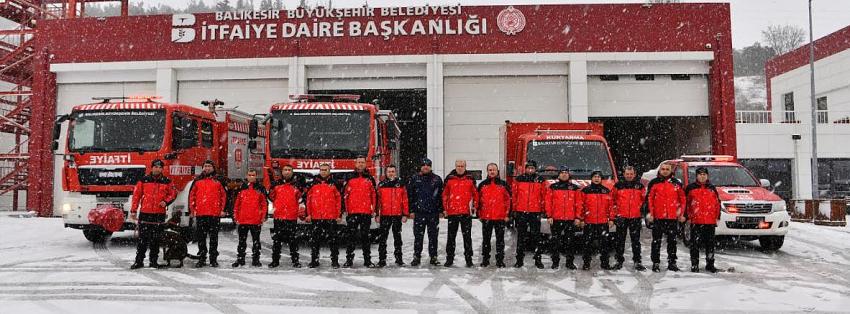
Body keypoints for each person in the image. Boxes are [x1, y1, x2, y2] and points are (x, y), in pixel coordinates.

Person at [129, 159, 177, 269]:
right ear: (152, 168)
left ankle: (153, 262)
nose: (158, 169)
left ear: (162, 169)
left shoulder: (167, 181)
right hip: (145, 214)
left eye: (160, 167)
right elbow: (136, 196)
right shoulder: (143, 180)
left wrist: (166, 201)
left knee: (155, 241)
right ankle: (139, 261)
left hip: (159, 215)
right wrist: (133, 210)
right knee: (142, 241)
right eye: (156, 167)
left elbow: (173, 193)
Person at [646, 162, 687, 272]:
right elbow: (649, 199)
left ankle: (672, 262)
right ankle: (655, 262)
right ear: (659, 170)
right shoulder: (654, 183)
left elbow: (683, 200)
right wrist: (650, 214)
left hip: (672, 218)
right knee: (656, 241)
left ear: (671, 171)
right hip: (658, 217)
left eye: (667, 169)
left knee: (672, 241)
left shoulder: (677, 183)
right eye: (663, 169)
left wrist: (682, 214)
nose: (665, 171)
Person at [189, 160, 227, 268]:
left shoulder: (219, 180)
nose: (207, 168)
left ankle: (213, 259)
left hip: (214, 214)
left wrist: (222, 209)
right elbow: (192, 196)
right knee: (201, 238)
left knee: (213, 238)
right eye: (205, 166)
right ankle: (202, 258)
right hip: (201, 213)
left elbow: (224, 196)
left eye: (209, 166)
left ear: (213, 168)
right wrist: (192, 210)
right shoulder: (197, 180)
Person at [342, 157, 378, 268]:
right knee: (351, 238)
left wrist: (373, 210)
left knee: (365, 238)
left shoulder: (370, 178)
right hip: (352, 212)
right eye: (359, 162)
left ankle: (367, 260)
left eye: (363, 162)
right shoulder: (348, 177)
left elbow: (374, 195)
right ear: (355, 164)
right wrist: (346, 210)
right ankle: (349, 260)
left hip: (366, 212)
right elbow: (344, 196)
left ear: (365, 164)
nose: (361, 164)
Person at [407, 158, 444, 266]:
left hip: (433, 213)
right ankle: (416, 257)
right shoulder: (414, 178)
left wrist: (441, 210)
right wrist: (411, 210)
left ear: (431, 167)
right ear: (420, 167)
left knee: (433, 236)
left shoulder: (437, 179)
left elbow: (441, 196)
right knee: (418, 237)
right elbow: (410, 196)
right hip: (419, 213)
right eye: (423, 165)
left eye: (428, 165)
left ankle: (433, 257)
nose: (425, 167)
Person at [442, 159, 478, 267]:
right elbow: (445, 195)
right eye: (458, 166)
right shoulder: (449, 179)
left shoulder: (470, 179)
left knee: (467, 237)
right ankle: (449, 259)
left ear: (465, 166)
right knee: (451, 237)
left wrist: (474, 207)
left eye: (462, 166)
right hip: (452, 213)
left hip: (465, 213)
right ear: (455, 166)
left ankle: (468, 259)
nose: (460, 168)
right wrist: (445, 209)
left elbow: (476, 194)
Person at [268, 165, 306, 268]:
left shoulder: (297, 186)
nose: (287, 172)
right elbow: (271, 197)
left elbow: (300, 199)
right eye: (285, 170)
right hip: (279, 216)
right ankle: (275, 261)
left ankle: (295, 261)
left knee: (293, 241)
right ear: (282, 172)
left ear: (292, 172)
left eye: (289, 170)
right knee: (277, 241)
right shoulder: (275, 184)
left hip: (291, 217)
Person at [544, 167, 582, 270]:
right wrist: (549, 216)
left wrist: (578, 217)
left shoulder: (574, 188)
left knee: (570, 243)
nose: (564, 174)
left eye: (566, 173)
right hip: (556, 219)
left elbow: (578, 204)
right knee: (555, 242)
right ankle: (555, 262)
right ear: (559, 175)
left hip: (570, 219)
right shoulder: (553, 187)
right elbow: (548, 202)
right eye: (562, 173)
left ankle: (569, 262)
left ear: (569, 175)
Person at [306, 163, 343, 268]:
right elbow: (308, 200)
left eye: (326, 170)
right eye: (322, 169)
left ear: (329, 171)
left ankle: (335, 261)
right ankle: (314, 261)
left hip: (330, 217)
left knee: (333, 241)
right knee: (315, 241)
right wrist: (308, 214)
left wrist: (338, 215)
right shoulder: (312, 184)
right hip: (316, 217)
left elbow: (338, 200)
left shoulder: (335, 184)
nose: (323, 171)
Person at [685, 167, 721, 273]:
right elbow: (685, 204)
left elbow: (717, 204)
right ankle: (694, 265)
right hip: (696, 222)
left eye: (704, 174)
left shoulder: (712, 188)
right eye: (700, 174)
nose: (702, 176)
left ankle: (710, 264)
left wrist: (717, 217)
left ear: (707, 176)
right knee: (695, 245)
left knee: (710, 245)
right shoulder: (690, 188)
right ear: (696, 176)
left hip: (710, 222)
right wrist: (688, 217)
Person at [511, 160, 545, 269]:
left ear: (535, 169)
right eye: (528, 168)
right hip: (521, 212)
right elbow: (514, 195)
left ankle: (538, 259)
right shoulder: (519, 179)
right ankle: (519, 260)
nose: (530, 170)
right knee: (521, 237)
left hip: (535, 212)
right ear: (525, 169)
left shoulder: (540, 180)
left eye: (532, 168)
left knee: (536, 237)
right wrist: (514, 210)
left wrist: (542, 210)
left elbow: (544, 196)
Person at [612, 166, 647, 271]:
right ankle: (619, 260)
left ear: (634, 174)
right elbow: (612, 201)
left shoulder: (640, 186)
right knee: (620, 240)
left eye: (631, 174)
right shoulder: (618, 185)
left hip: (635, 217)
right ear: (624, 174)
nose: (629, 176)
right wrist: (615, 215)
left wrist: (642, 213)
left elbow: (644, 201)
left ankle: (637, 261)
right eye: (627, 174)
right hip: (621, 217)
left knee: (636, 241)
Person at [232, 169, 268, 268]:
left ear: (256, 176)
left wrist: (263, 216)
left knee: (256, 241)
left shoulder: (260, 188)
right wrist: (236, 216)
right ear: (246, 176)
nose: (251, 177)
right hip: (243, 219)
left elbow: (264, 204)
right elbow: (237, 204)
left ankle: (256, 260)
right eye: (250, 175)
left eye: (253, 175)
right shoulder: (241, 188)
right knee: (241, 241)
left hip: (255, 220)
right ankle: (240, 259)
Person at [580, 171, 616, 270]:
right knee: (587, 244)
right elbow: (581, 206)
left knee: (604, 245)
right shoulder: (585, 191)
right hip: (589, 222)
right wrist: (581, 219)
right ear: (591, 179)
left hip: (603, 222)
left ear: (601, 179)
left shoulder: (606, 191)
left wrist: (611, 219)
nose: (597, 178)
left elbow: (611, 207)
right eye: (595, 177)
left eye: (599, 177)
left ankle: (605, 263)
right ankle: (586, 263)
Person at [477, 163, 511, 268]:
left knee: (500, 241)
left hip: (500, 217)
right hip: (486, 217)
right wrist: (479, 214)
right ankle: (485, 259)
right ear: (487, 171)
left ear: (497, 171)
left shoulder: (504, 184)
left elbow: (509, 200)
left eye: (494, 170)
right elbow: (478, 201)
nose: (492, 172)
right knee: (486, 240)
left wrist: (507, 214)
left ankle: (500, 260)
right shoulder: (482, 185)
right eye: (490, 170)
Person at [375, 165, 409, 267]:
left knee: (397, 239)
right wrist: (377, 214)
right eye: (389, 171)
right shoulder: (381, 185)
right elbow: (378, 202)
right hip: (385, 215)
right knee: (382, 239)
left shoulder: (401, 184)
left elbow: (405, 200)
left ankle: (399, 259)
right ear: (386, 173)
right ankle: (382, 259)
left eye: (393, 171)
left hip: (397, 215)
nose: (391, 173)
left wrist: (405, 214)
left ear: (395, 172)